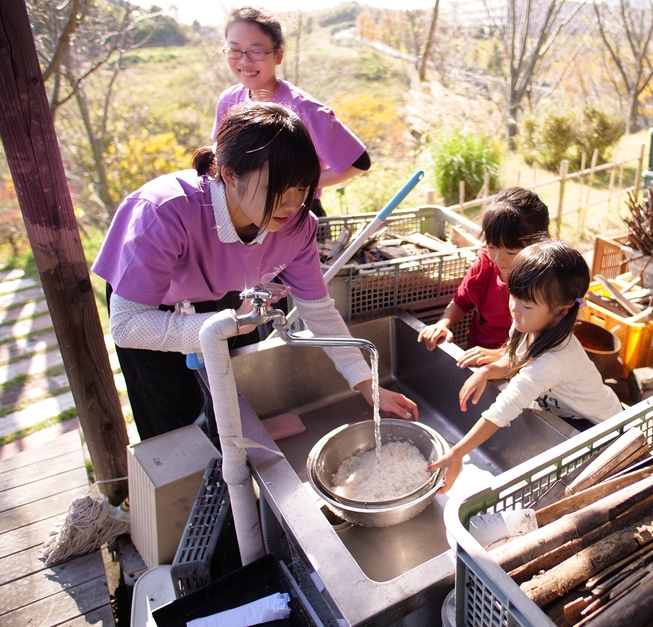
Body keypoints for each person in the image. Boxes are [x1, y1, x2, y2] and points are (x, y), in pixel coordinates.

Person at [93, 101, 417, 441]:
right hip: (151, 304)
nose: (292, 204)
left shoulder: (298, 225)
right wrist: (229, 324)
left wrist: (366, 383)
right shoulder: (164, 212)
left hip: (221, 295)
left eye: (302, 188)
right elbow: (127, 326)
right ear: (230, 175)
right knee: (172, 416)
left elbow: (319, 311)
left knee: (230, 401)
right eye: (277, 190)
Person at [429, 240, 623, 492]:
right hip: (566, 417)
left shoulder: (555, 358)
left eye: (527, 305)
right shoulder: (528, 324)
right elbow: (517, 359)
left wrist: (457, 452)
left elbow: (503, 409)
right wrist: (487, 371)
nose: (514, 309)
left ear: (562, 311)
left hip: (603, 429)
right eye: (514, 296)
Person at [214, 7, 369, 217]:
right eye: (235, 50)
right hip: (246, 214)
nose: (244, 61)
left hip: (295, 214)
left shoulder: (305, 110)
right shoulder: (229, 100)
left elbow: (358, 163)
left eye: (256, 51)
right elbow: (219, 154)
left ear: (278, 55)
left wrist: (294, 185)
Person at [417, 187, 550, 367]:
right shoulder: (485, 266)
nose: (499, 258)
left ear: (537, 244)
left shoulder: (543, 282)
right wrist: (443, 324)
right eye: (492, 246)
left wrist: (501, 355)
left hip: (517, 365)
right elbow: (461, 301)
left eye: (511, 252)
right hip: (475, 354)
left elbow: (541, 339)